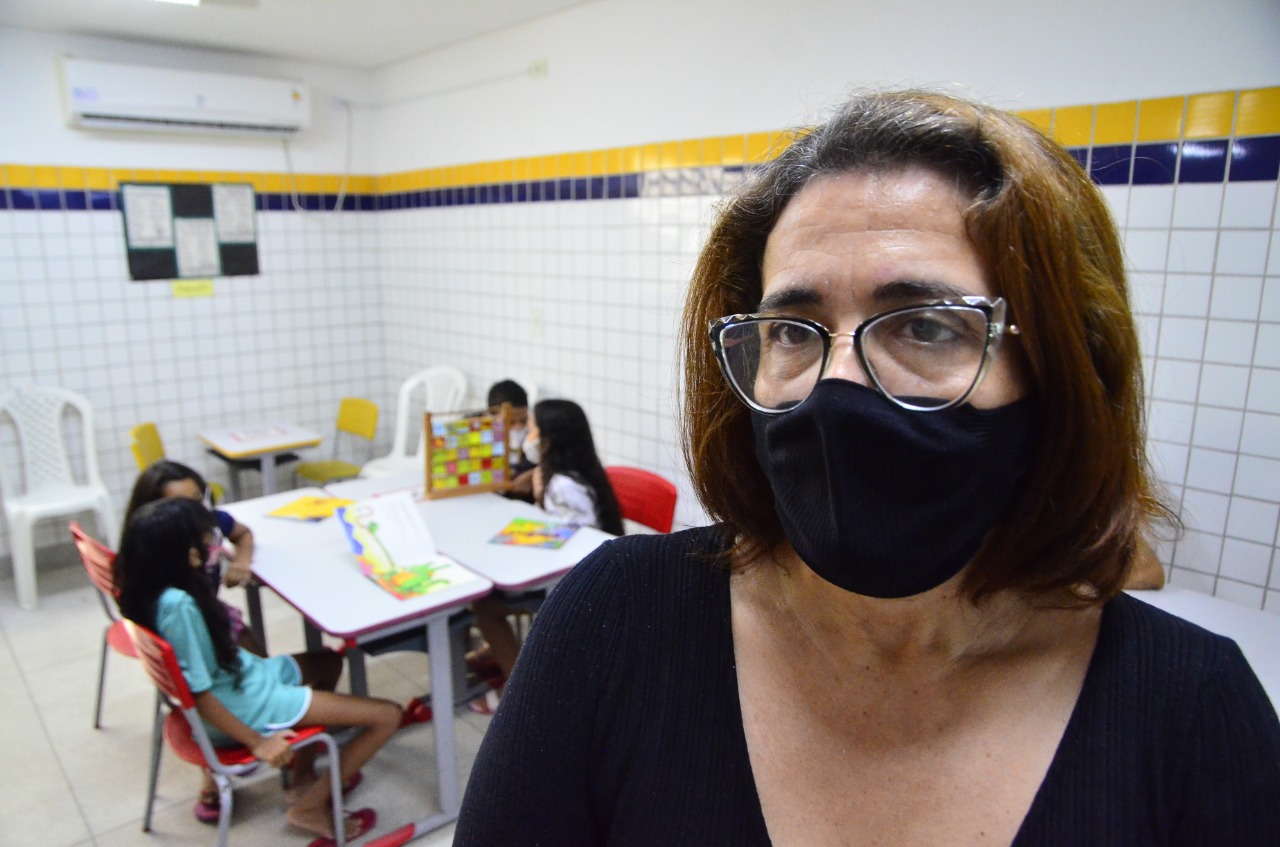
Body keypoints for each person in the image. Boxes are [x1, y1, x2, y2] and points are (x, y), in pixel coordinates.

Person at [454, 90, 1280, 844]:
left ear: (1062, 368)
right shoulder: (614, 620)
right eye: (791, 331)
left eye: (925, 327)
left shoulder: (1193, 712)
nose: (837, 387)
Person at [115, 497, 401, 844]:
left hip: (244, 679)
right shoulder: (179, 606)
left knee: (329, 662)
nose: (213, 544)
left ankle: (303, 776)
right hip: (242, 705)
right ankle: (310, 807)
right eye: (205, 539)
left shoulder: (152, 589)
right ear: (188, 554)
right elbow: (199, 693)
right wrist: (258, 742)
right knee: (388, 715)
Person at [468, 398, 624, 713]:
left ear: (548, 441)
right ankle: (503, 657)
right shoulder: (570, 473)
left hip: (571, 583)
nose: (526, 436)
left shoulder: (564, 485)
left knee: (483, 606)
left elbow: (575, 540)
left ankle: (516, 689)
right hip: (569, 572)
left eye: (530, 429)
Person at [124, 460, 260, 654]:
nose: (196, 512)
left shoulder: (212, 521)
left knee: (257, 655)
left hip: (209, 613)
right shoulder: (155, 551)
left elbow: (243, 533)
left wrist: (240, 562)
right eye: (182, 505)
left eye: (199, 499)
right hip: (187, 628)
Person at [486, 379, 536, 502]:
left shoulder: (535, 434)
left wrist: (532, 473)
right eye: (510, 422)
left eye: (523, 421)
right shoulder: (472, 433)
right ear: (490, 417)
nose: (518, 428)